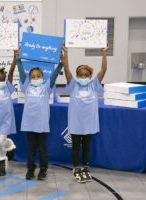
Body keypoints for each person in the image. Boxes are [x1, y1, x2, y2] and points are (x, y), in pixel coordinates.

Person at [61, 46, 107, 183]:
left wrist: (104, 53)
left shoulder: (94, 85)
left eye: (86, 75)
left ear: (90, 76)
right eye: (80, 75)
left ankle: (86, 167)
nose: (83, 77)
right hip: (76, 123)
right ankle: (76, 167)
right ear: (77, 76)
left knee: (86, 146)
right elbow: (67, 70)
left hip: (89, 123)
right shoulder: (74, 85)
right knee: (75, 146)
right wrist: (66, 54)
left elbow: (103, 70)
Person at [17, 59, 63, 180]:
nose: (35, 78)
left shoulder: (46, 88)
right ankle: (30, 168)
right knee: (31, 148)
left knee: (42, 148)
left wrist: (61, 64)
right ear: (29, 78)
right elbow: (21, 73)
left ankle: (43, 169)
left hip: (42, 124)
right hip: (29, 124)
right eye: (33, 76)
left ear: (43, 77)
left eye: (38, 76)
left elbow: (54, 76)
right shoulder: (26, 86)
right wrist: (18, 60)